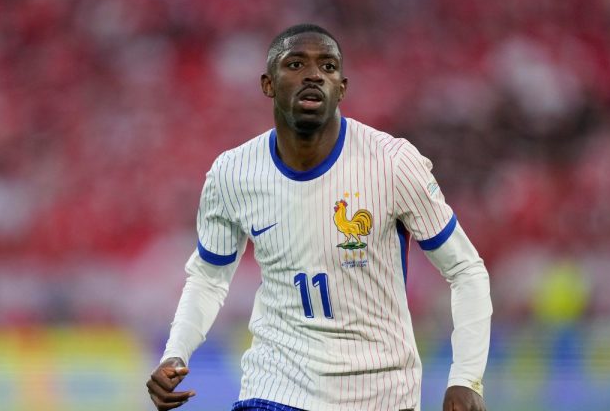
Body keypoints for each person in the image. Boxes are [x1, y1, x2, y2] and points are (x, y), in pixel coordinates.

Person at [146, 24, 492, 411]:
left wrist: (466, 377)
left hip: (378, 393)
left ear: (341, 88)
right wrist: (175, 353)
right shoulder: (233, 173)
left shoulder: (393, 164)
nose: (314, 75)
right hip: (276, 386)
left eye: (328, 67)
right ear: (268, 84)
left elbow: (466, 270)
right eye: (295, 64)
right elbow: (209, 277)